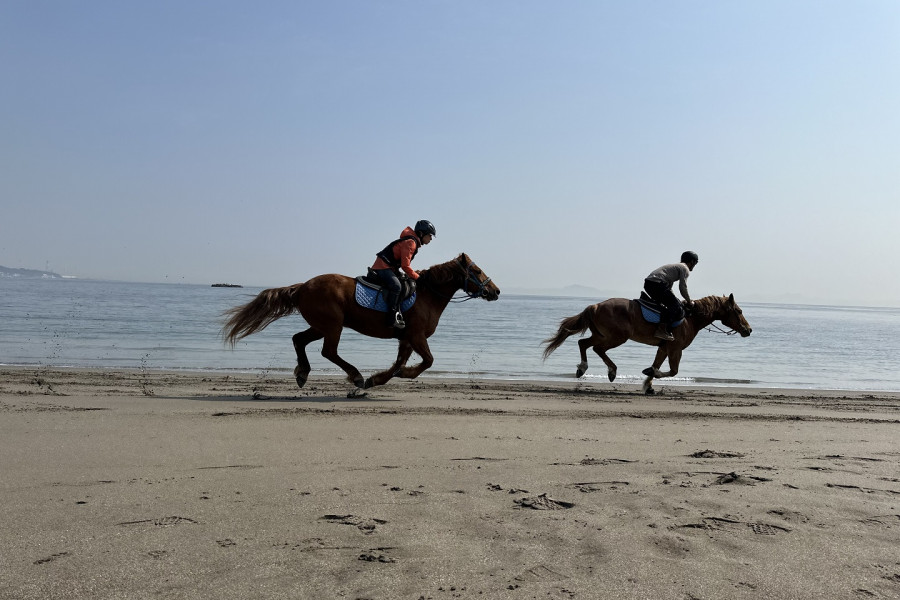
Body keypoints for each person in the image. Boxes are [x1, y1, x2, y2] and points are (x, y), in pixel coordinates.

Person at [371, 220, 436, 328]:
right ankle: (391, 318)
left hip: (389, 267)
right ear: (421, 234)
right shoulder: (411, 242)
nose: (431, 238)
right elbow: (405, 266)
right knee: (397, 286)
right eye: (429, 235)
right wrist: (418, 278)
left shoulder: (413, 241)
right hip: (383, 267)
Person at [643, 251, 699, 341]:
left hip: (649, 284)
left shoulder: (675, 267)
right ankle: (662, 330)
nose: (694, 265)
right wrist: (689, 301)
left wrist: (676, 299)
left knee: (669, 304)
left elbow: (669, 289)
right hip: (657, 284)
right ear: (692, 261)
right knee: (676, 306)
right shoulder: (685, 268)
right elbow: (683, 287)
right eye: (695, 263)